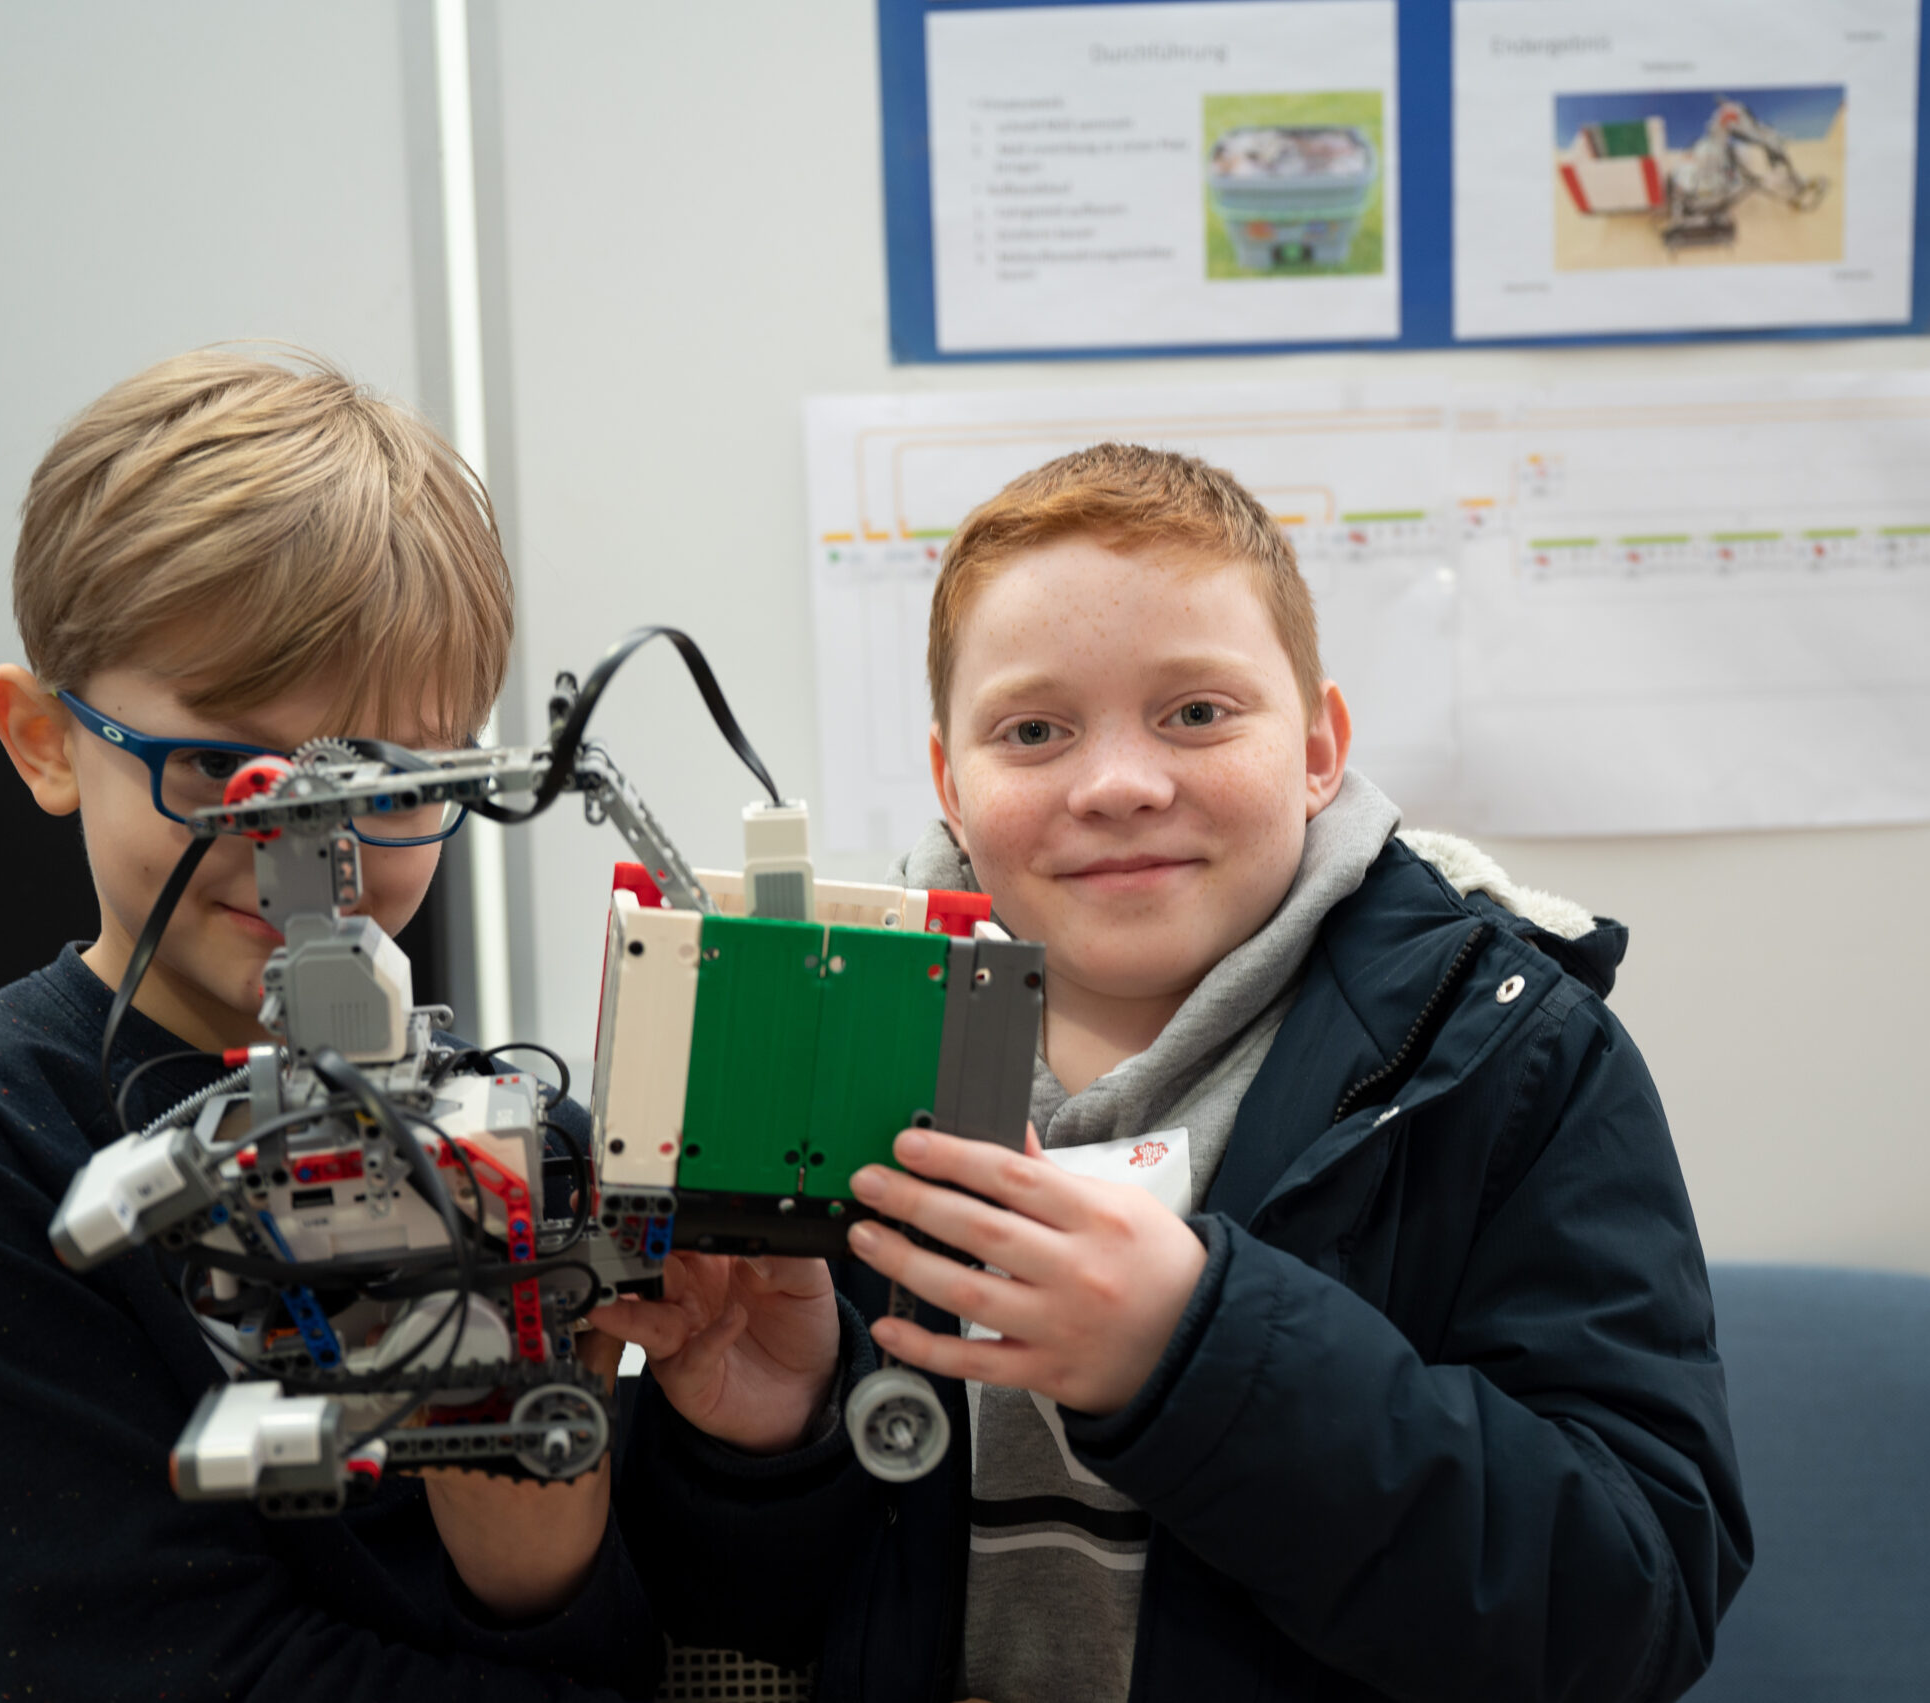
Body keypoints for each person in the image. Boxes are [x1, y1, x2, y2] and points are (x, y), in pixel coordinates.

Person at [608, 444, 1750, 1702]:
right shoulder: (831, 1035)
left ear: (1319, 746)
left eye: (1197, 712)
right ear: (950, 779)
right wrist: (770, 1444)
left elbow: (1628, 1606)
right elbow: (738, 1612)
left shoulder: (1510, 1055)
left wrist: (1198, 1355)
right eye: (1033, 729)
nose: (1118, 784)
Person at [0, 348, 660, 1702]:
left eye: (382, 779)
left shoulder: (517, 1136)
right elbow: (172, 1666)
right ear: (44, 740)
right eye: (223, 770)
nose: (300, 848)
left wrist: (622, 1498)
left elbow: (733, 1598)